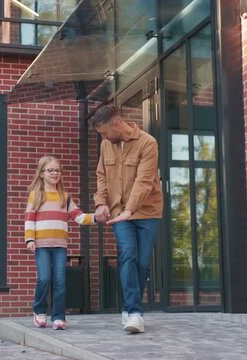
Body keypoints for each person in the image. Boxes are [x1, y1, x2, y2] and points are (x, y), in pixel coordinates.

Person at [91, 103, 163, 333]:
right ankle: (134, 312)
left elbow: (143, 181)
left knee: (142, 262)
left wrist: (129, 211)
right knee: (128, 255)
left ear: (117, 124)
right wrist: (101, 203)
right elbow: (101, 176)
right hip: (117, 212)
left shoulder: (148, 143)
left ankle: (130, 307)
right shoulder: (106, 145)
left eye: (104, 132)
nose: (103, 137)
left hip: (147, 211)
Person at [24, 155, 104, 330]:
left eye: (57, 170)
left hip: (60, 246)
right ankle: (39, 311)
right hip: (41, 246)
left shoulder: (65, 197)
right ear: (42, 174)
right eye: (50, 170)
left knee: (60, 281)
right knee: (44, 278)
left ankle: (59, 317)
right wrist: (29, 239)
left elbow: (79, 217)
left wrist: (96, 218)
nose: (55, 173)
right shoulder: (36, 196)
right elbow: (29, 219)